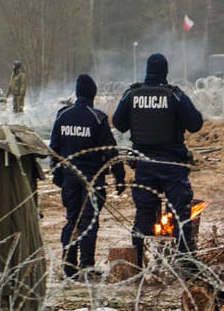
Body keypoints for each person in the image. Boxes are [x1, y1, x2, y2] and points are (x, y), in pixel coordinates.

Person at [112, 53, 204, 266]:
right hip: (172, 164)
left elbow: (119, 123)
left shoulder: (132, 94)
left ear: (147, 71)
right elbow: (195, 123)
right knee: (180, 214)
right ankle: (184, 263)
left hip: (144, 164)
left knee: (143, 215)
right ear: (165, 71)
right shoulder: (174, 95)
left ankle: (136, 264)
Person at [49, 73, 125, 280]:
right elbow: (111, 150)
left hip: (69, 177)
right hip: (93, 178)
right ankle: (86, 265)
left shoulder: (63, 116)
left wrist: (58, 175)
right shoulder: (97, 118)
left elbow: (54, 149)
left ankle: (68, 265)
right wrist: (120, 177)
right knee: (89, 221)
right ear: (93, 94)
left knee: (72, 219)